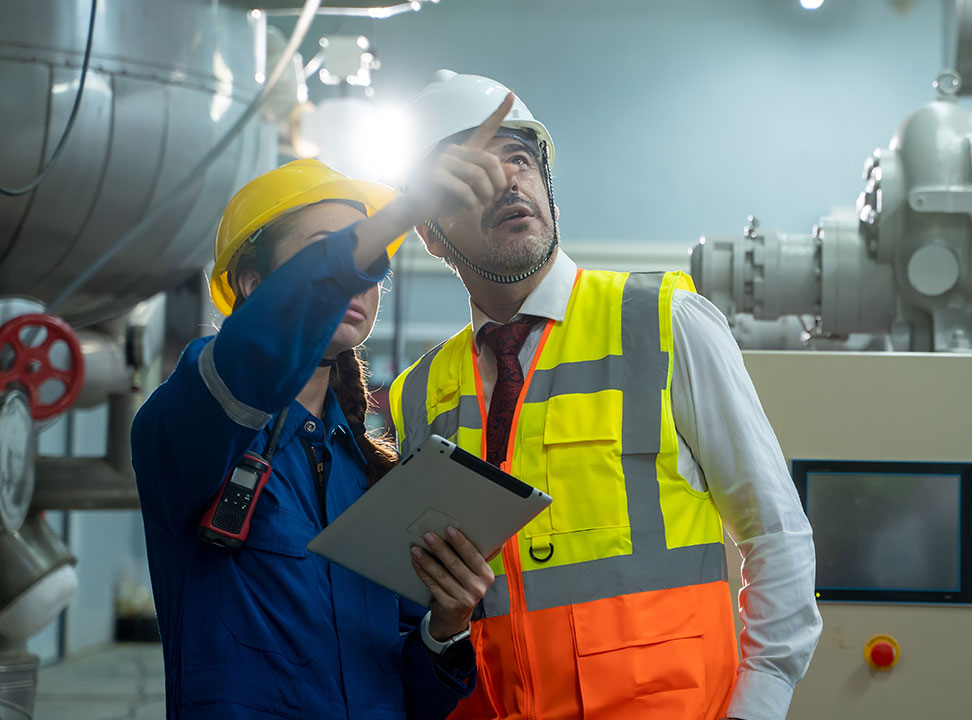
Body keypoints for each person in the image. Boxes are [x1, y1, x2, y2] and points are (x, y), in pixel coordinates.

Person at [388, 70, 822, 720]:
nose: (509, 181)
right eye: (475, 175)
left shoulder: (666, 323)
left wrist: (756, 707)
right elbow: (429, 606)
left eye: (520, 158)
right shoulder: (417, 394)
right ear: (429, 234)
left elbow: (776, 535)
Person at [132, 112, 518, 719]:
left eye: (371, 264)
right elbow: (256, 352)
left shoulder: (368, 475)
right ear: (255, 285)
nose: (361, 280)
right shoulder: (193, 425)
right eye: (333, 256)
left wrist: (445, 627)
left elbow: (403, 692)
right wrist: (401, 209)